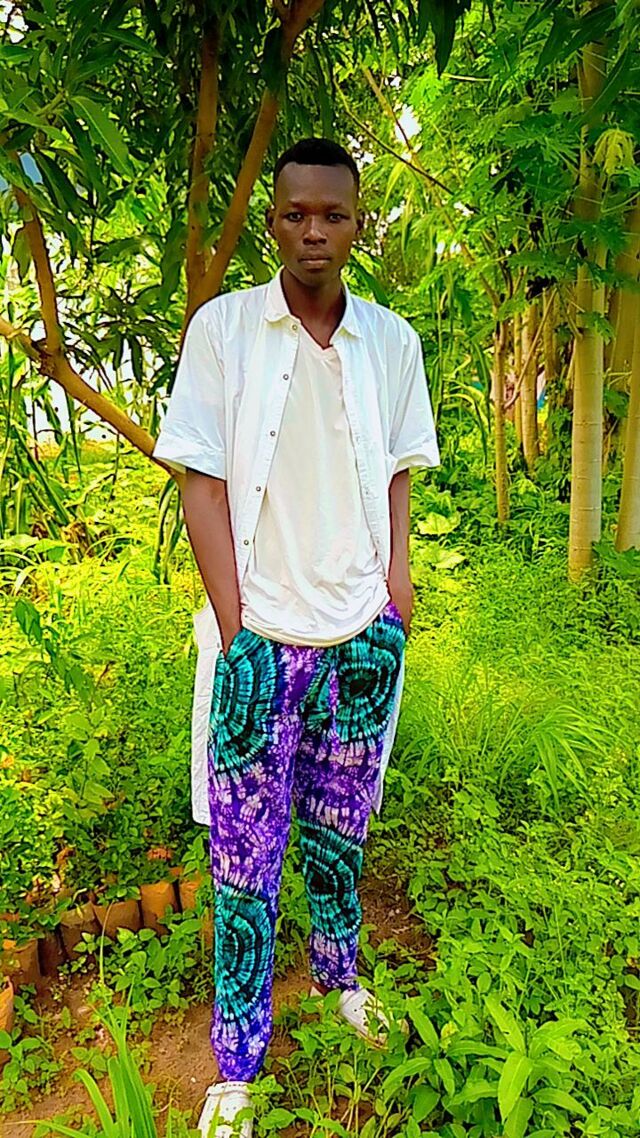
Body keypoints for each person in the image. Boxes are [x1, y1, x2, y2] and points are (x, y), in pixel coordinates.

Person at [153, 137, 439, 1137]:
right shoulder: (226, 331)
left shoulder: (392, 343)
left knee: (339, 834)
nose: (313, 231)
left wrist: (397, 590)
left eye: (333, 214)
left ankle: (340, 978)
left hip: (362, 639)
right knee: (243, 863)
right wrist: (237, 630)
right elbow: (200, 479)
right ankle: (237, 1065)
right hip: (262, 642)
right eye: (295, 214)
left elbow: (397, 471)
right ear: (273, 222)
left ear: (359, 224)